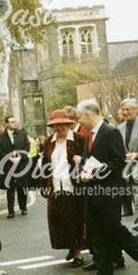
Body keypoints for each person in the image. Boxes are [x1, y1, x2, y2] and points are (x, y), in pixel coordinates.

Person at [73, 99, 138, 275]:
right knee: (97, 233)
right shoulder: (89, 136)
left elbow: (118, 162)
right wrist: (84, 171)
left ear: (89, 114)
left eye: (80, 117)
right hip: (93, 191)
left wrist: (94, 174)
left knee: (113, 229)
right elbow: (89, 159)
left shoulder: (111, 132)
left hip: (109, 191)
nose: (79, 121)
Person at [41, 110, 84, 266]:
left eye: (62, 124)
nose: (59, 128)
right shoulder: (48, 141)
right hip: (55, 186)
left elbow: (86, 159)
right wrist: (44, 184)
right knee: (58, 219)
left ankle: (78, 253)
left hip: (73, 186)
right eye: (56, 125)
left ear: (68, 124)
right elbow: (45, 164)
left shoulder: (78, 139)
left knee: (75, 219)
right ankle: (70, 247)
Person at [118, 98, 138, 242]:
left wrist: (137, 154)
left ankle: (135, 234)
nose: (125, 112)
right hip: (127, 173)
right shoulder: (120, 128)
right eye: (123, 109)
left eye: (128, 109)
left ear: (136, 110)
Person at [0, 114, 30, 218]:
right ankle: (11, 211)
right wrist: (9, 158)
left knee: (22, 187)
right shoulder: (0, 137)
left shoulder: (22, 134)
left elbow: (27, 147)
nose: (15, 123)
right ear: (7, 124)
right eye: (12, 122)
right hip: (8, 165)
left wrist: (19, 157)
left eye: (15, 121)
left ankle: (23, 208)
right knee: (10, 188)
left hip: (21, 164)